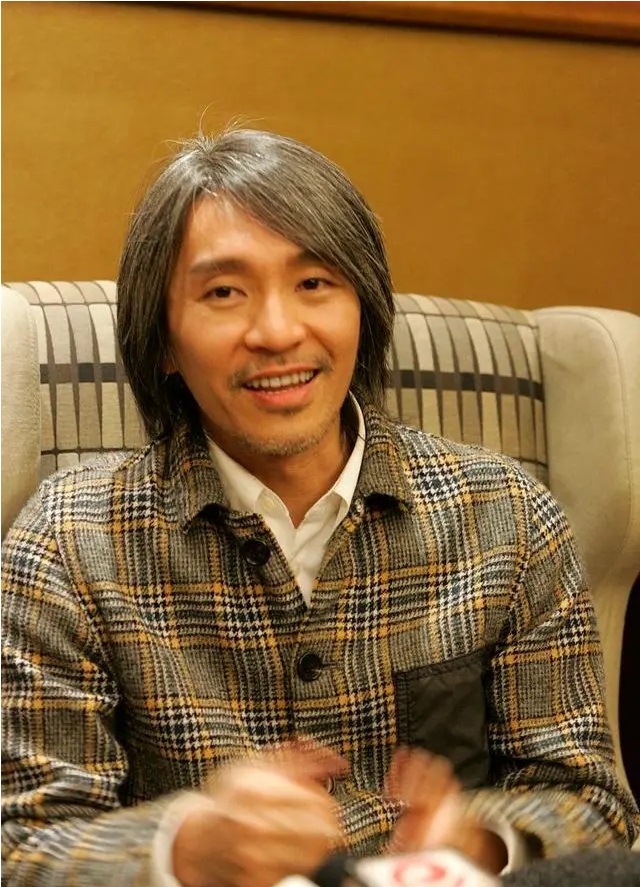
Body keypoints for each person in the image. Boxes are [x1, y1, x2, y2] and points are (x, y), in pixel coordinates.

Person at [1, 128, 638, 887]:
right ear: (163, 339)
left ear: (362, 309)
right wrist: (184, 848)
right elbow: (23, 847)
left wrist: (482, 840)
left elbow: (593, 803)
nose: (277, 332)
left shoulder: (508, 515)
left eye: (314, 283)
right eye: (223, 292)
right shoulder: (68, 542)